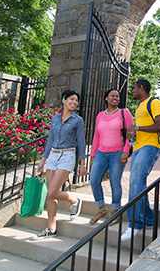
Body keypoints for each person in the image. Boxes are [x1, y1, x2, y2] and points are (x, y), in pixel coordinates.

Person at [32, 90, 87, 240]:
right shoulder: (55, 119)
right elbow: (50, 139)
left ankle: (74, 200)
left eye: (76, 100)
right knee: (51, 195)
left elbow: (81, 141)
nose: (74, 102)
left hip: (67, 155)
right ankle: (51, 228)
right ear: (64, 100)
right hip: (52, 156)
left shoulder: (77, 120)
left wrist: (83, 163)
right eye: (71, 99)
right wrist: (43, 160)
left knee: (51, 192)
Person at [120, 79, 160, 242]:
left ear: (142, 88)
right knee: (136, 182)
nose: (132, 90)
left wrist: (137, 128)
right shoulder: (139, 107)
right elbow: (143, 129)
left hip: (151, 146)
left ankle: (135, 224)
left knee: (136, 182)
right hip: (139, 146)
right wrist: (132, 135)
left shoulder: (155, 102)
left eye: (134, 88)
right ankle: (148, 219)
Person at [88, 89, 133, 226]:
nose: (115, 98)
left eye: (117, 96)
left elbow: (132, 133)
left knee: (115, 182)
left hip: (118, 153)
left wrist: (126, 151)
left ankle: (115, 212)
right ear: (106, 98)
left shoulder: (124, 113)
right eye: (112, 95)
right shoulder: (100, 115)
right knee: (94, 180)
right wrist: (93, 155)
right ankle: (101, 209)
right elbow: (96, 136)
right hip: (101, 153)